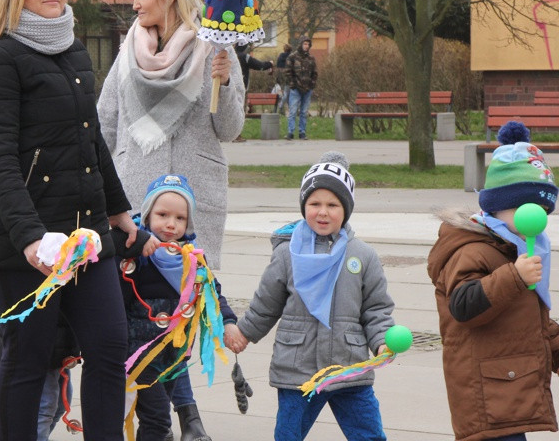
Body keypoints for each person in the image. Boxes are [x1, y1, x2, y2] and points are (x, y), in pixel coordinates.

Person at [0, 0, 138, 441]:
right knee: (29, 357)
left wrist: (118, 210)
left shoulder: (75, 50)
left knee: (108, 348)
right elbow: (0, 162)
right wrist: (33, 239)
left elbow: (92, 142)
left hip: (86, 237)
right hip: (24, 242)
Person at [97, 0, 244, 270]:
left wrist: (228, 82)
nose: (134, 4)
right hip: (135, 198)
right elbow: (104, 125)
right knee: (135, 301)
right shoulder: (128, 52)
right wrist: (102, 193)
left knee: (193, 303)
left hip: (194, 200)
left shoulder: (214, 46)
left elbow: (230, 130)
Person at [229, 151, 395, 441]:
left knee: (368, 434)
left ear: (346, 209)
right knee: (288, 434)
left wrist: (381, 341)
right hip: (298, 368)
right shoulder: (287, 254)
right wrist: (244, 332)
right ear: (303, 206)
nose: (322, 211)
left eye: (332, 204)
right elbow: (266, 304)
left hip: (349, 367)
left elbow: (376, 309)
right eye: (314, 203)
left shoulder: (363, 256)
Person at [427, 121, 559, 441]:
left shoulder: (518, 248)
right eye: (522, 207)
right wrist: (514, 276)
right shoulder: (472, 249)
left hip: (508, 389)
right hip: (485, 396)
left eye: (541, 208)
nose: (534, 216)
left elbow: (531, 322)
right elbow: (464, 306)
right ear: (496, 206)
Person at [115, 174, 239, 441]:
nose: (171, 224)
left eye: (180, 218)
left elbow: (212, 292)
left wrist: (228, 322)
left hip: (174, 356)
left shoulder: (192, 257)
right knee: (159, 418)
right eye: (162, 215)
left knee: (154, 422)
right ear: (148, 215)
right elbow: (114, 297)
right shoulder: (135, 253)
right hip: (140, 355)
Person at [285, 37, 317, 140]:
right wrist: (293, 84)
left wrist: (312, 84)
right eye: (305, 44)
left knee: (304, 112)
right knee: (293, 111)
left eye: (308, 44)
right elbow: (288, 72)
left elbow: (315, 73)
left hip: (307, 88)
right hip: (295, 88)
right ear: (300, 44)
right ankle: (290, 132)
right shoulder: (292, 57)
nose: (306, 46)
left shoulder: (311, 58)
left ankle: (302, 132)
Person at [275, 44, 292, 114]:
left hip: (280, 77)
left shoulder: (280, 56)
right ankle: (281, 106)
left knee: (284, 93)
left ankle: (288, 109)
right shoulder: (291, 57)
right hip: (288, 77)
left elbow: (277, 66)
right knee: (286, 93)